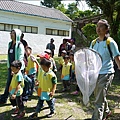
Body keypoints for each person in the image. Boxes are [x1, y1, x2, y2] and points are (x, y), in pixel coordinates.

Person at [90, 19, 120, 120]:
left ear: (106, 29)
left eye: (101, 26)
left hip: (106, 73)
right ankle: (107, 112)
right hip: (96, 73)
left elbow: (117, 57)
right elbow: (90, 57)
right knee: (99, 95)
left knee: (98, 100)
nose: (98, 28)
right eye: (97, 26)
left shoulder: (110, 42)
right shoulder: (94, 42)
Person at [0, 29, 25, 104]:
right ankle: (5, 98)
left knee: (18, 83)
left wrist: (16, 69)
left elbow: (20, 58)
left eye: (13, 33)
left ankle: (20, 99)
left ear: (17, 35)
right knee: (9, 83)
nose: (11, 35)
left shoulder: (20, 45)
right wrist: (9, 67)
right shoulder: (10, 44)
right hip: (10, 67)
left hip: (17, 68)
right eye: (10, 33)